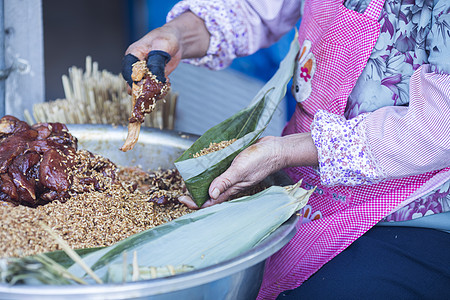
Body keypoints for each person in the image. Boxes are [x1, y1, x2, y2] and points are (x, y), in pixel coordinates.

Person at [123, 0, 450, 298]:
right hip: (299, 179)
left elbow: (440, 126)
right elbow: (256, 8)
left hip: (410, 210)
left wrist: (286, 151)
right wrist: (178, 34)